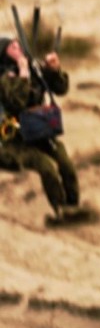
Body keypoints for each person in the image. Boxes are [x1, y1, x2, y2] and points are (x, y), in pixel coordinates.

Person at [0, 36, 80, 219]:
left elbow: (61, 88)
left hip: (41, 134)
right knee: (47, 167)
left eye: (18, 45)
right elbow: (16, 102)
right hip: (16, 142)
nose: (17, 48)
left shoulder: (33, 70)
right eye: (12, 48)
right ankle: (60, 210)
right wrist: (23, 74)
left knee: (65, 164)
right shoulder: (4, 79)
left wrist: (54, 70)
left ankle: (73, 207)